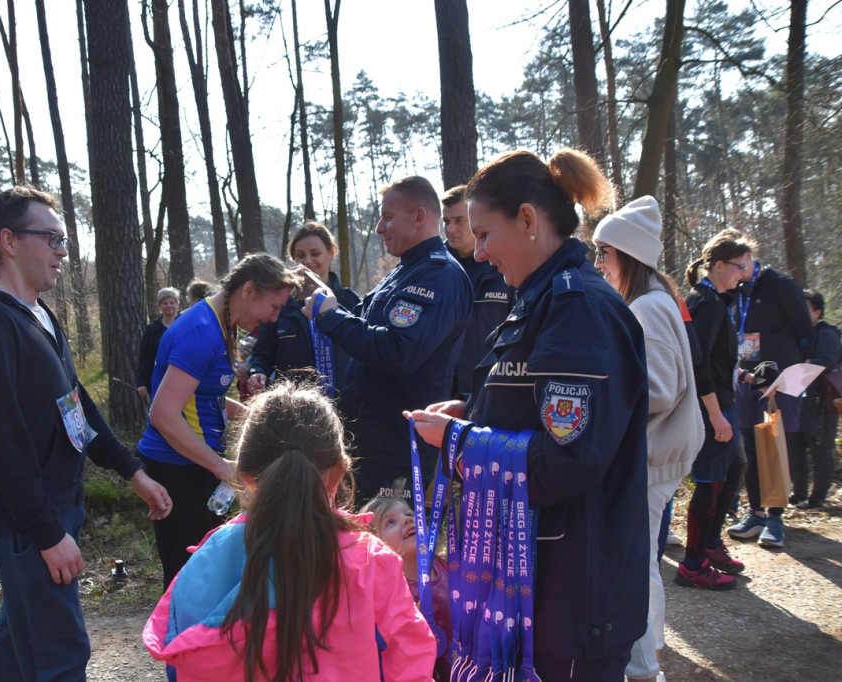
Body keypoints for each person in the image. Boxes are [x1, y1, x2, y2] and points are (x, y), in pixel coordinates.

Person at [410, 149, 650, 681]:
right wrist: (474, 410)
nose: (477, 254)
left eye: (484, 234)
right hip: (540, 585)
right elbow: (535, 414)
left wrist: (462, 439)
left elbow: (569, 460)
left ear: (527, 219)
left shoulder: (577, 308)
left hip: (571, 597)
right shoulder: (539, 301)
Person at [0, 186, 173, 681]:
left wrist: (133, 472)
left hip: (52, 511)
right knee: (61, 655)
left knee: (19, 642)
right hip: (28, 521)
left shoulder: (39, 316)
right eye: (51, 238)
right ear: (7, 241)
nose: (63, 251)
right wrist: (47, 532)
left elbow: (76, 407)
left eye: (63, 239)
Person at [142, 381, 437, 681]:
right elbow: (410, 664)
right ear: (338, 474)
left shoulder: (210, 558)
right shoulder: (371, 561)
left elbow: (180, 660)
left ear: (246, 478)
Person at [302, 176, 473, 503]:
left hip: (398, 449)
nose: (379, 227)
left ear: (420, 217)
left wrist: (331, 318)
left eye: (388, 217)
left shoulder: (439, 274)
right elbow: (373, 331)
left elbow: (399, 350)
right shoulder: (404, 271)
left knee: (392, 547)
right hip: (367, 441)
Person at [592, 196, 705, 682]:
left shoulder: (649, 306)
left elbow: (659, 389)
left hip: (652, 457)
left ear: (629, 256)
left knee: (637, 568)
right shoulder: (650, 300)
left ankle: (643, 666)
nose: (597, 263)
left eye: (604, 253)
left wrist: (604, 399)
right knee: (641, 563)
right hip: (654, 455)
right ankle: (647, 657)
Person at [137, 254, 298, 586]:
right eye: (274, 306)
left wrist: (252, 414)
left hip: (197, 464)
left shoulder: (222, 325)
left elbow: (201, 396)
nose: (274, 317)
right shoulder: (201, 331)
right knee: (189, 579)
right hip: (178, 469)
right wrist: (219, 465)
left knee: (209, 573)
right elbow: (164, 414)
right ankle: (178, 638)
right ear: (250, 290)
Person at [676, 229, 754, 590]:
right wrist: (715, 414)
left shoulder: (719, 300)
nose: (745, 272)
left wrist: (740, 373)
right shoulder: (705, 304)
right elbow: (698, 363)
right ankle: (692, 564)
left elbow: (717, 358)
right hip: (712, 407)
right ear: (718, 265)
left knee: (735, 466)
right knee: (709, 481)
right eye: (740, 266)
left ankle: (709, 544)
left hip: (724, 400)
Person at [728, 251, 813, 548]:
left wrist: (793, 375)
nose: (737, 272)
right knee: (750, 449)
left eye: (740, 265)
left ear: (749, 257)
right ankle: (756, 513)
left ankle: (775, 518)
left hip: (778, 383)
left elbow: (805, 331)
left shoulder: (780, 284)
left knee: (773, 448)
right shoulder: (735, 289)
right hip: (746, 379)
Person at [246, 222, 359, 393]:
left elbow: (367, 355)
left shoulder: (351, 302)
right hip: (295, 408)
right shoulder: (280, 307)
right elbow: (262, 354)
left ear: (331, 253)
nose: (307, 261)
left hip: (347, 408)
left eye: (315, 253)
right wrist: (257, 372)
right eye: (300, 255)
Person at [363, 494, 452, 682]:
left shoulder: (444, 565)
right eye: (391, 522)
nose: (407, 520)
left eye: (409, 513)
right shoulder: (388, 591)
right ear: (374, 544)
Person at [442, 184, 514, 397]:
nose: (450, 229)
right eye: (446, 221)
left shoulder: (504, 267)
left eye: (459, 220)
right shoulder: (436, 269)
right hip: (442, 394)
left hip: (492, 391)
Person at [795, 289, 840, 509]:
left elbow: (828, 360)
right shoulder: (797, 334)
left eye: (805, 308)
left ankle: (817, 499)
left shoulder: (827, 333)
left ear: (817, 311)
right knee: (797, 447)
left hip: (822, 401)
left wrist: (802, 363)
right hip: (800, 400)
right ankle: (799, 495)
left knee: (821, 448)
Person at [136, 287, 181, 399]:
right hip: (158, 379)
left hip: (182, 378)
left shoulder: (186, 325)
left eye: (172, 302)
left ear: (178, 304)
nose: (169, 306)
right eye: (165, 303)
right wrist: (142, 383)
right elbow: (144, 358)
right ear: (159, 306)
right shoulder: (152, 329)